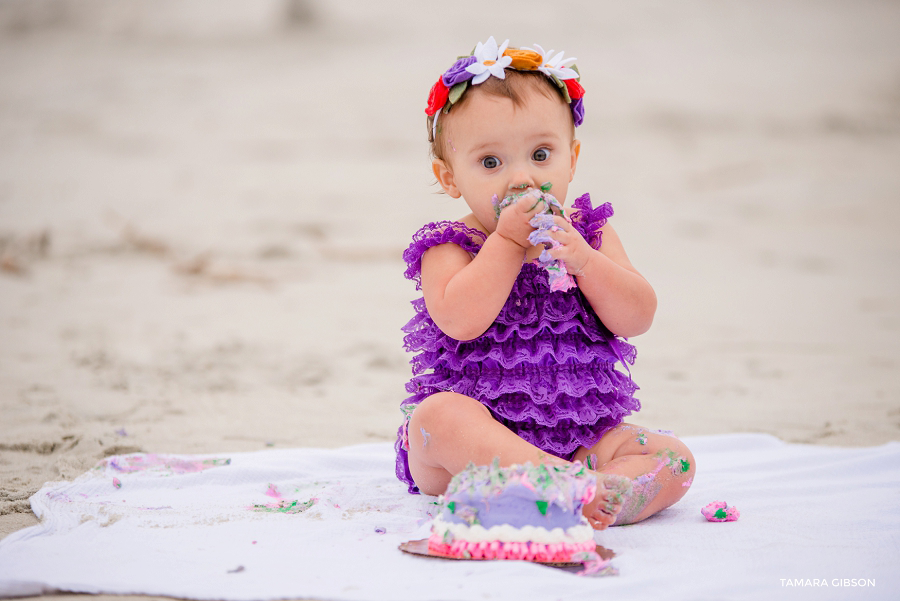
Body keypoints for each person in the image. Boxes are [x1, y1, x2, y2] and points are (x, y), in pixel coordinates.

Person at [394, 37, 694, 529]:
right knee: (438, 418)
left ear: (572, 158)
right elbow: (461, 322)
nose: (522, 179)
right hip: (473, 451)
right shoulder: (451, 245)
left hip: (581, 439)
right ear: (449, 178)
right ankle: (554, 483)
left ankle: (598, 494)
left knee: (674, 458)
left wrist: (586, 262)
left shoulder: (588, 233)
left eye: (540, 154)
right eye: (491, 163)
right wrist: (508, 243)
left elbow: (637, 317)